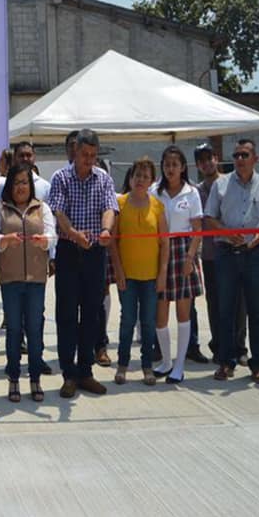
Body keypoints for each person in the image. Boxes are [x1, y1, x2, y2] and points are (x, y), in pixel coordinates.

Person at [204, 138, 259, 383]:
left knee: (256, 313)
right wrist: (226, 231)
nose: (239, 159)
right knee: (226, 311)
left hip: (254, 256)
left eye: (244, 155)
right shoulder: (221, 185)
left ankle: (256, 364)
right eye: (236, 155)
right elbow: (209, 217)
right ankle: (226, 362)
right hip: (227, 254)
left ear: (255, 159)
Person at [48, 129, 118, 398]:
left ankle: (86, 371)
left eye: (92, 155)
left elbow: (109, 208)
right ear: (74, 152)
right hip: (69, 250)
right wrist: (75, 235)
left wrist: (105, 230)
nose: (89, 160)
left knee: (92, 312)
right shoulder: (61, 178)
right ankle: (68, 373)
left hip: (94, 253)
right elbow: (59, 212)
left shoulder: (103, 178)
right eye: (84, 155)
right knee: (67, 313)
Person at [0, 163, 55, 402]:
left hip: (36, 279)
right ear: (9, 185)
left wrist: (44, 241)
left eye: (25, 182)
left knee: (35, 331)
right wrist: (4, 240)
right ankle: (14, 378)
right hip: (10, 280)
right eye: (16, 182)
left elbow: (52, 236)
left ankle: (35, 378)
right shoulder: (0, 210)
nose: (21, 187)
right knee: (14, 330)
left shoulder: (42, 208)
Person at [109, 157, 168, 386]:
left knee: (148, 322)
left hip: (151, 276)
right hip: (128, 276)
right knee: (127, 320)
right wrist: (119, 271)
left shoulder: (157, 206)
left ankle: (146, 366)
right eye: (137, 176)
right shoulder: (120, 204)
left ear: (151, 180)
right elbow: (113, 242)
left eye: (145, 176)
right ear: (130, 178)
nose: (141, 180)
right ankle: (122, 364)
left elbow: (165, 243)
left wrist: (162, 273)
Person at [151, 146, 204, 384]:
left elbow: (197, 231)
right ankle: (165, 361)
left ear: (183, 167)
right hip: (160, 251)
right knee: (160, 314)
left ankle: (179, 365)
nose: (170, 169)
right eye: (166, 164)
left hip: (183, 252)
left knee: (183, 312)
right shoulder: (154, 190)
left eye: (175, 164)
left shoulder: (191, 193)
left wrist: (190, 258)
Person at [194, 143, 244, 365]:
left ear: (217, 158)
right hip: (211, 256)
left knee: (238, 302)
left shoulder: (230, 184)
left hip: (233, 251)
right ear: (197, 165)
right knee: (215, 303)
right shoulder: (196, 191)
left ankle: (239, 347)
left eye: (209, 158)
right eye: (201, 160)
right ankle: (219, 346)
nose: (206, 163)